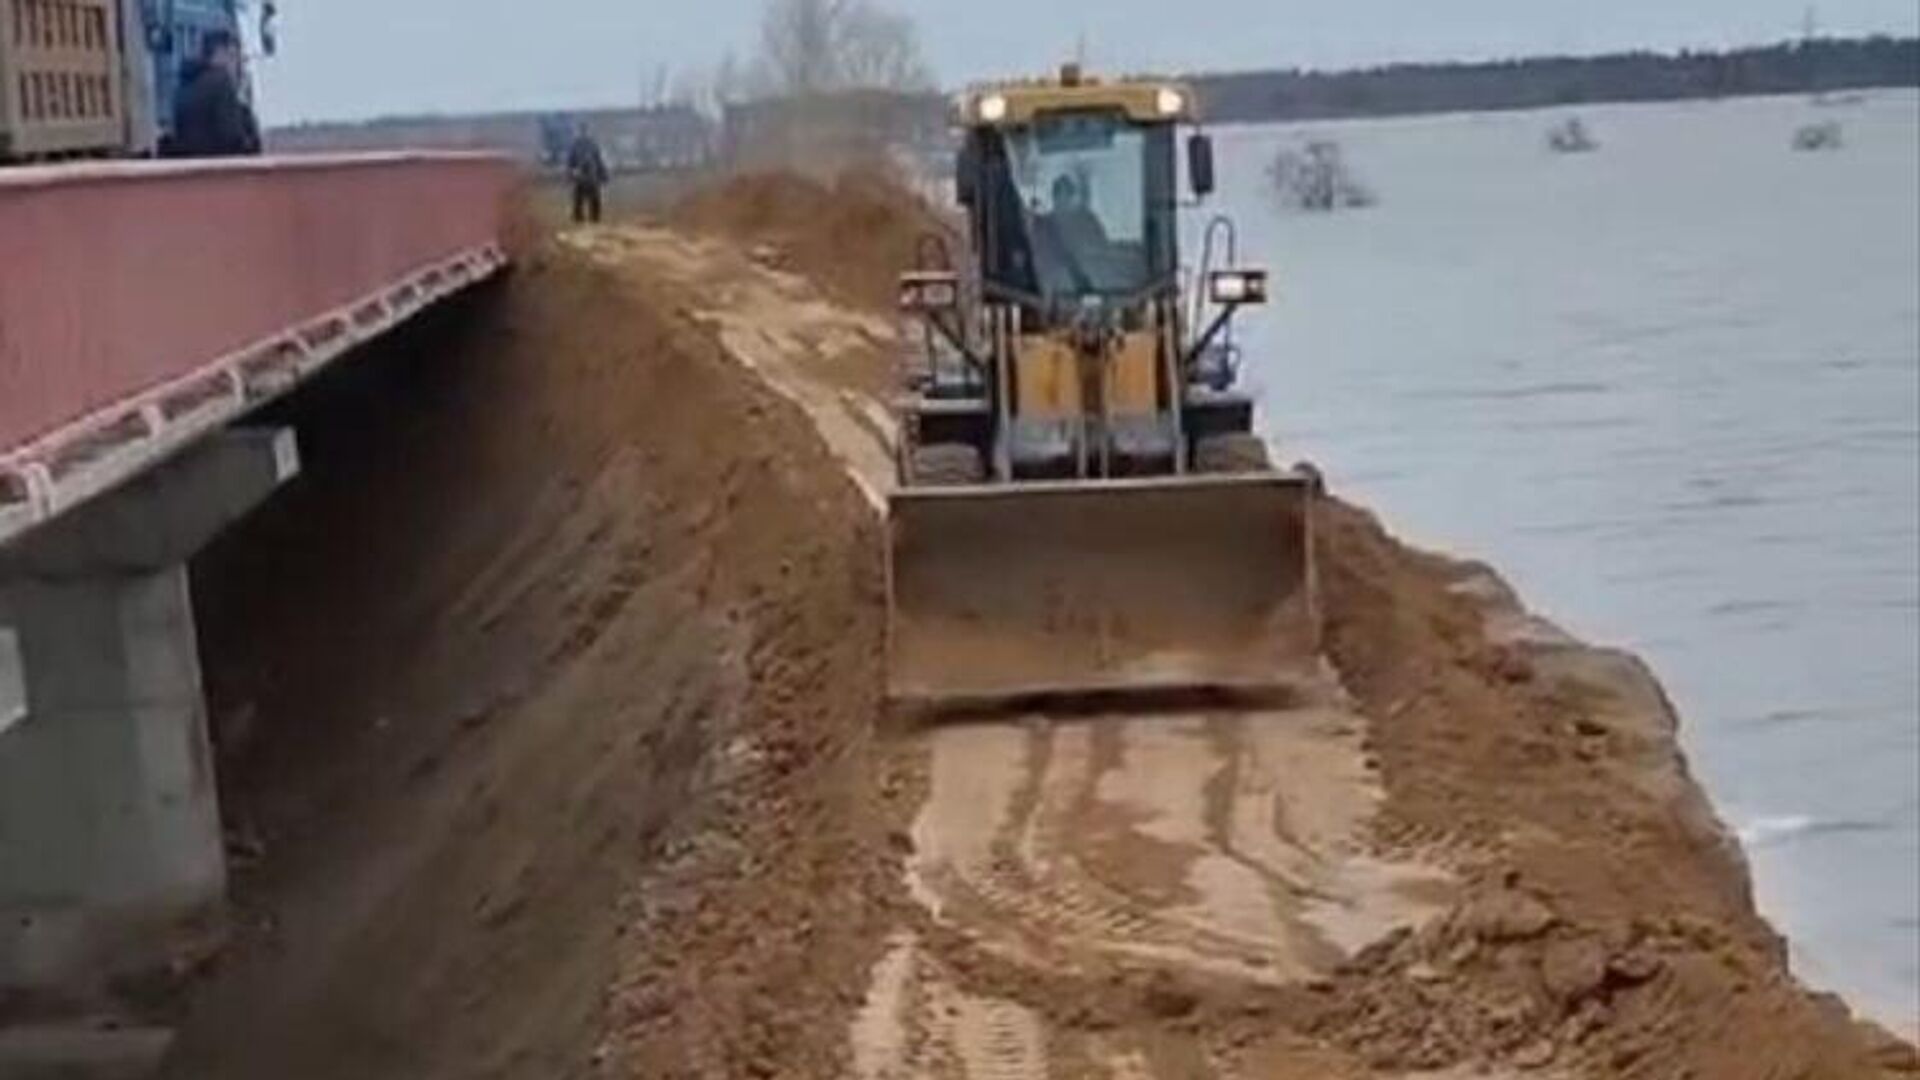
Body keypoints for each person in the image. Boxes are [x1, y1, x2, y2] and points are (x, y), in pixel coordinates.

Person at [167, 30, 261, 159]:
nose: (237, 65)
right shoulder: (221, 81)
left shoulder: (186, 85)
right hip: (221, 171)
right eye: (232, 56)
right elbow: (231, 136)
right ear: (220, 53)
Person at [567, 124, 611, 225]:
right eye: (582, 131)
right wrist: (571, 173)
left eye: (585, 131)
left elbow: (598, 160)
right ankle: (579, 221)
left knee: (595, 201)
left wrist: (604, 175)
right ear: (579, 132)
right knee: (578, 201)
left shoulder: (593, 145)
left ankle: (595, 221)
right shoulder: (575, 145)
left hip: (592, 177)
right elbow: (570, 162)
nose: (584, 133)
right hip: (580, 178)